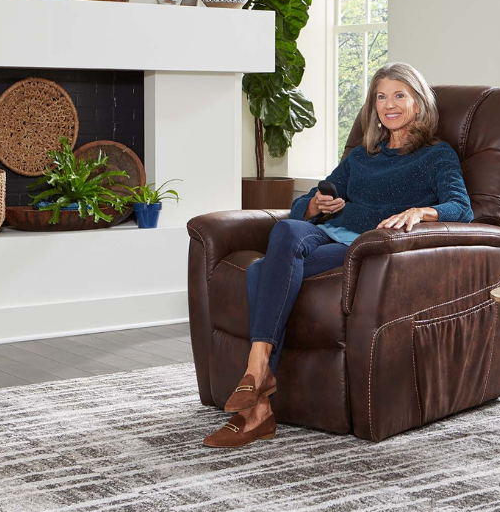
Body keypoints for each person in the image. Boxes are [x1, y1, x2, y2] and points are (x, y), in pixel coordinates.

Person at [203, 61, 474, 448]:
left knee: (260, 272)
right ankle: (258, 375)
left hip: (362, 247)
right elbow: (307, 203)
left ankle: (255, 403)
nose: (389, 105)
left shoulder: (436, 155)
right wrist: (315, 206)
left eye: (399, 95)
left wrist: (421, 211)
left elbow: (461, 207)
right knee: (286, 228)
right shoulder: (363, 155)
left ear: (419, 103)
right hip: (324, 234)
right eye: (381, 97)